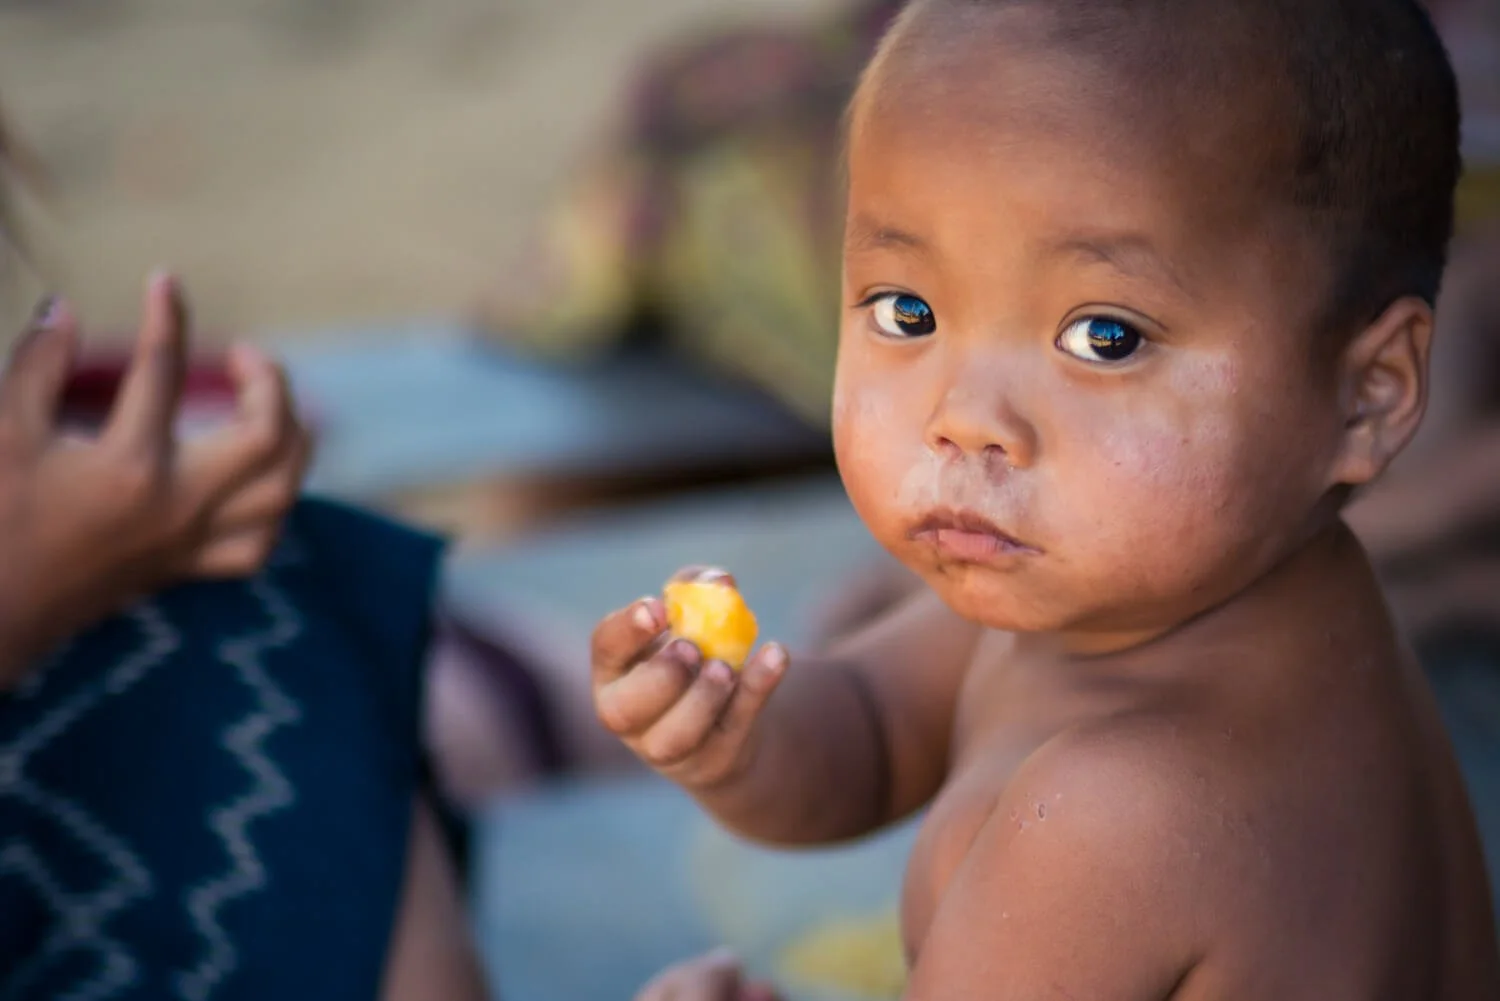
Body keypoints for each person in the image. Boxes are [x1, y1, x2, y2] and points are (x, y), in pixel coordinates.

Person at [589, 1, 1500, 998]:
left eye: (1105, 336)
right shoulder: (1172, 596)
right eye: (908, 310)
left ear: (1366, 392)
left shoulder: (1115, 818)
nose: (967, 417)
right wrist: (733, 733)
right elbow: (871, 726)